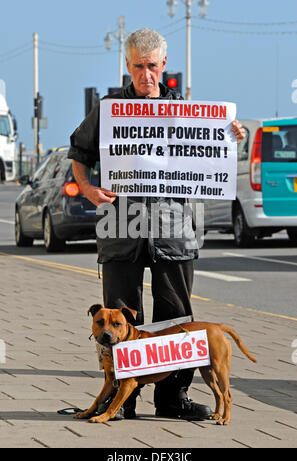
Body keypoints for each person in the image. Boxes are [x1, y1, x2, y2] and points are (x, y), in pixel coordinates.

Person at [68, 28, 245, 421]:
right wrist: (87, 188)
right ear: (127, 65)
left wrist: (234, 135)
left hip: (174, 230)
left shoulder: (190, 113)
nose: (145, 74)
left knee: (177, 318)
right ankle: (122, 400)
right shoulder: (109, 110)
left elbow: (217, 154)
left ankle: (171, 399)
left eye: (152, 66)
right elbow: (78, 151)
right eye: (137, 66)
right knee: (119, 318)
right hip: (120, 229)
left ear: (164, 65)